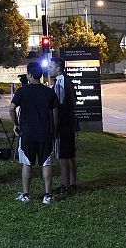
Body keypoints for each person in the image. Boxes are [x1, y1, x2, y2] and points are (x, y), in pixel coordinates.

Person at [10, 61, 59, 204]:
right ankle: (48, 195)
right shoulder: (49, 92)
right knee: (46, 163)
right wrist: (54, 130)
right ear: (41, 75)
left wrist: (15, 124)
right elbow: (55, 113)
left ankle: (26, 194)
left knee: (27, 163)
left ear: (29, 74)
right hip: (45, 133)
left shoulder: (22, 91)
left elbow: (12, 109)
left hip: (27, 133)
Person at [49, 57, 78, 192]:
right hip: (70, 123)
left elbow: (59, 106)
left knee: (63, 155)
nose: (49, 69)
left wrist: (55, 127)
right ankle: (73, 182)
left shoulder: (60, 83)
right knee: (70, 155)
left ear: (58, 68)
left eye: (51, 66)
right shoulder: (67, 81)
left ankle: (65, 185)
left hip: (63, 124)